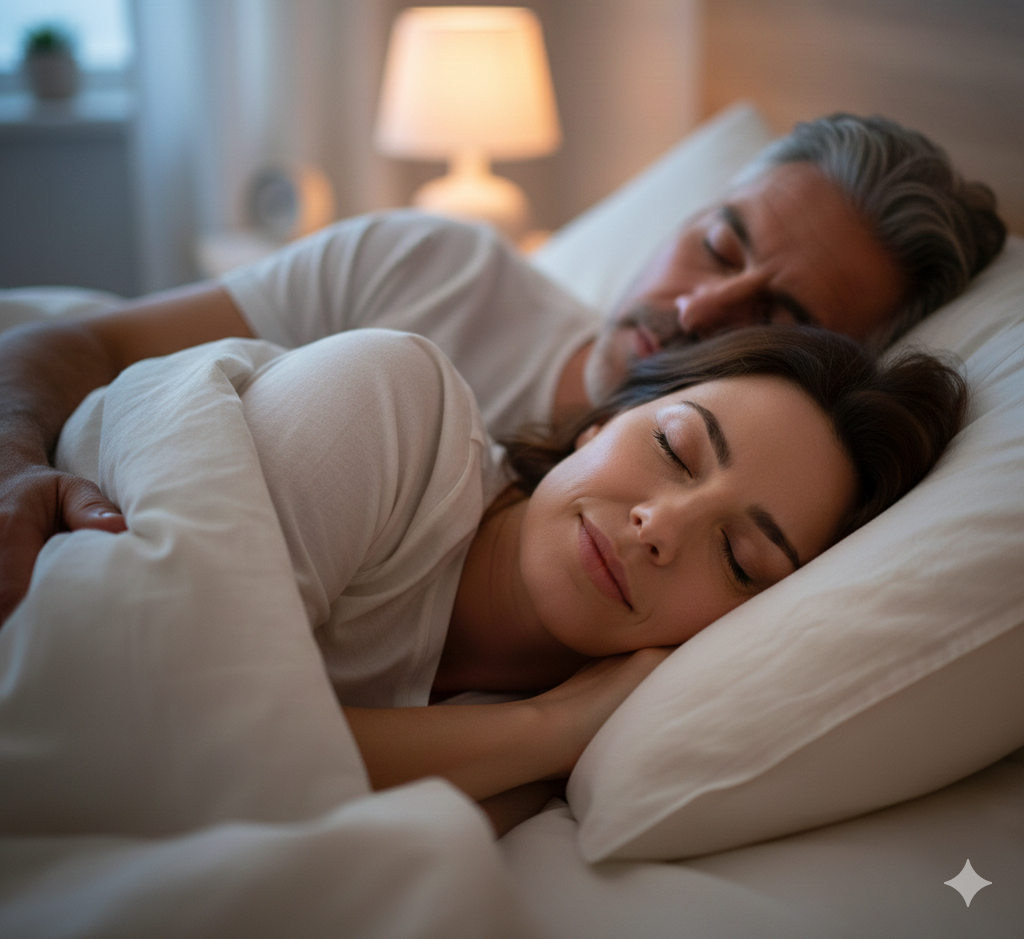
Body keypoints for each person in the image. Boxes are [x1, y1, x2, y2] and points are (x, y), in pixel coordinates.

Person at [0, 113, 1004, 621]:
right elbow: (72, 344)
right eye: (720, 242)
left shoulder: (667, 567)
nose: (701, 307)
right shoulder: (432, 268)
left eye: (779, 315)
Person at [230, 324, 966, 834]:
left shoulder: (542, 780)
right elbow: (199, 743)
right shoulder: (392, 407)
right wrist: (549, 728)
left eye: (740, 559)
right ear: (604, 418)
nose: (661, 527)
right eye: (674, 450)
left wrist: (555, 737)